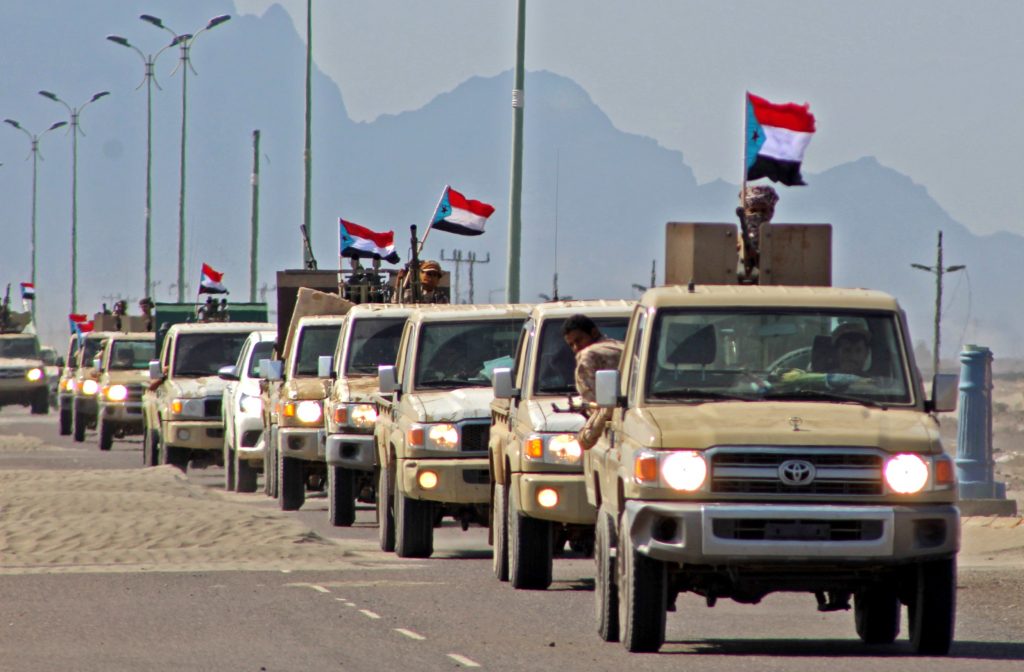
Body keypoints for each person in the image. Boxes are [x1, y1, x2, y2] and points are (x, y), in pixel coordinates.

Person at [562, 314, 624, 449]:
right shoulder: (622, 347)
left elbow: (601, 406)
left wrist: (585, 438)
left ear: (593, 332)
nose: (575, 348)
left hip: (613, 430)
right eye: (571, 344)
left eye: (579, 340)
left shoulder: (587, 356)